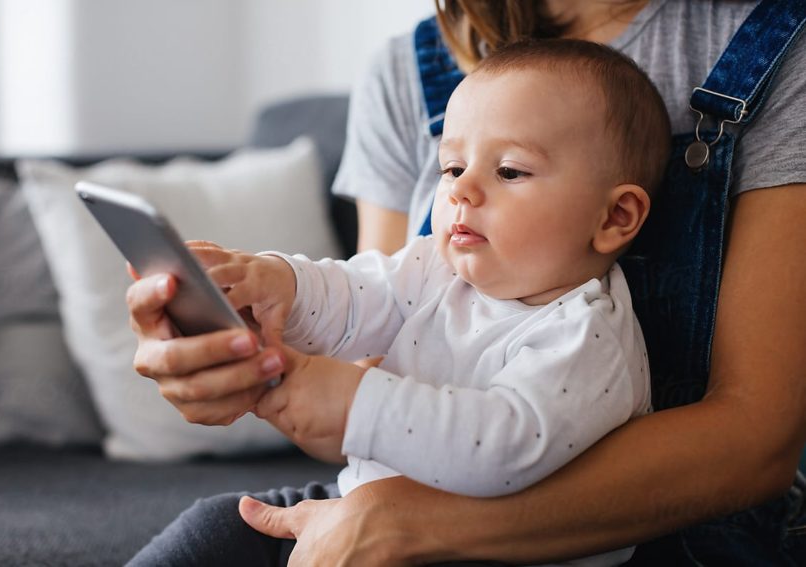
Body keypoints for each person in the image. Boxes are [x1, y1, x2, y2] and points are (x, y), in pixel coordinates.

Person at [127, 0, 806, 565]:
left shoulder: (582, 333)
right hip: (375, 500)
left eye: (509, 171)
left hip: (524, 542)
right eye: (451, 170)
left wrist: (351, 402)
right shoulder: (438, 263)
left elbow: (500, 444)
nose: (461, 194)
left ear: (616, 216)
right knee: (208, 532)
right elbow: (361, 294)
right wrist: (274, 292)